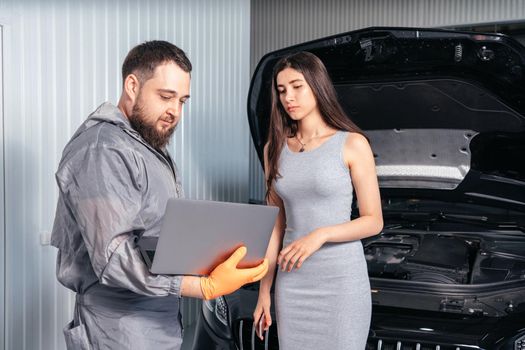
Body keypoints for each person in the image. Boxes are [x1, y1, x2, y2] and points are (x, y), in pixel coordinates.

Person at [51, 40, 268, 350]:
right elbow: (113, 257)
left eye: (182, 101)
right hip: (117, 329)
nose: (174, 112)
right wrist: (201, 286)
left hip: (156, 321)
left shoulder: (145, 147)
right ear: (132, 85)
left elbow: (154, 230)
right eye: (166, 97)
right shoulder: (104, 149)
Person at [252, 51, 383, 349]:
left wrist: (320, 235)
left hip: (340, 281)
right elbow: (275, 226)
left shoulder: (351, 143)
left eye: (297, 86)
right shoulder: (274, 148)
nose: (289, 97)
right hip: (293, 283)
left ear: (317, 85)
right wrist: (264, 292)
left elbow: (373, 221)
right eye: (282, 90)